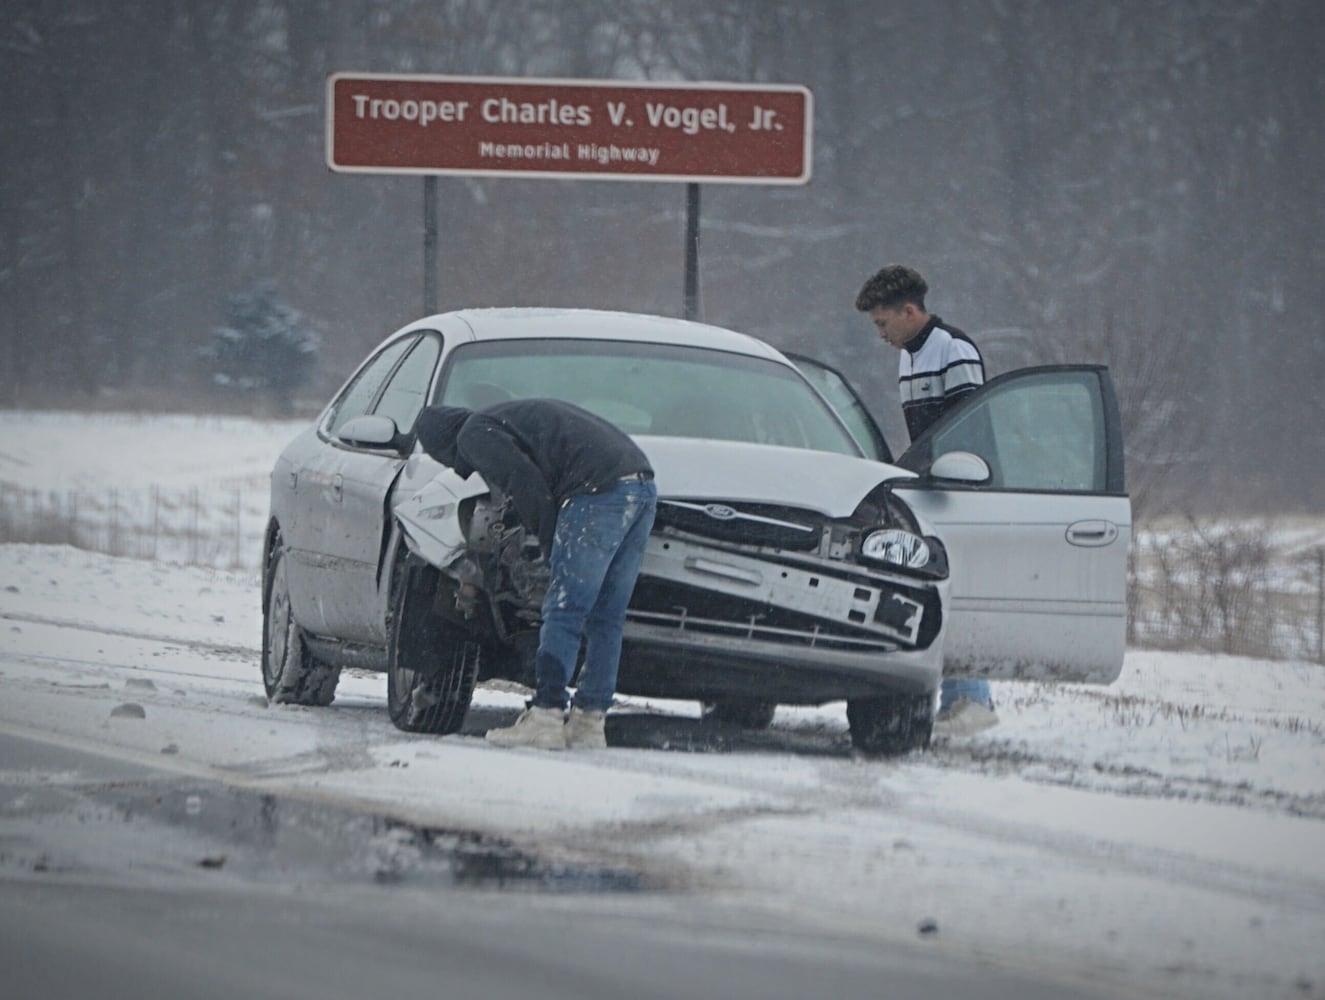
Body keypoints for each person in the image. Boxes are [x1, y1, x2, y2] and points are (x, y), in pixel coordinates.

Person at [414, 398, 657, 750]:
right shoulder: (504, 420)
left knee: (564, 609)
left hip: (595, 491)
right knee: (606, 615)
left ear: (442, 444)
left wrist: (550, 542)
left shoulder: (473, 433)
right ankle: (589, 721)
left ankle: (546, 715)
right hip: (641, 485)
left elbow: (523, 481)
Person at [854, 263, 998, 736]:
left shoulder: (952, 349)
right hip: (934, 488)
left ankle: (972, 698)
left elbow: (967, 425)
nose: (881, 335)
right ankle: (957, 699)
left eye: (882, 323)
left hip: (963, 487)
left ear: (910, 310)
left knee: (961, 589)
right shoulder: (909, 355)